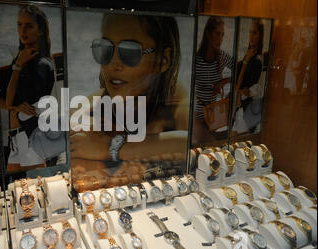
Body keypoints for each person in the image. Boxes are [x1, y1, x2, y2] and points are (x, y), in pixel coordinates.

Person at [69, 13, 190, 190]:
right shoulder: (87, 111)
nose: (113, 64)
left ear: (163, 60)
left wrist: (113, 149)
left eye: (130, 52)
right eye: (105, 49)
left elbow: (193, 144)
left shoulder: (178, 102)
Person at [0, 4, 55, 173]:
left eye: (29, 26)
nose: (23, 31)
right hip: (17, 136)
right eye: (19, 25)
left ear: (41, 30)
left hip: (29, 136)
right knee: (20, 188)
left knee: (36, 186)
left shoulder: (41, 64)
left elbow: (9, 101)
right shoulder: (23, 60)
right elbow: (8, 102)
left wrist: (17, 66)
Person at [192, 16, 234, 144]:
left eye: (222, 35)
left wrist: (223, 82)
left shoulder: (222, 56)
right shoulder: (197, 59)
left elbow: (241, 72)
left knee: (213, 144)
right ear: (208, 34)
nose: (220, 39)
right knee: (208, 143)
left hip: (214, 115)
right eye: (217, 34)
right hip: (197, 114)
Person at [232, 19, 264, 134]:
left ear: (260, 35)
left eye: (254, 33)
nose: (251, 36)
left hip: (246, 112)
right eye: (250, 32)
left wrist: (244, 62)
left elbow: (243, 89)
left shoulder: (256, 61)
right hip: (241, 108)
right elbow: (238, 86)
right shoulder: (249, 56)